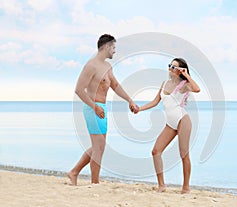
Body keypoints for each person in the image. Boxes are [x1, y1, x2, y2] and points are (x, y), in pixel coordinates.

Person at [67, 34, 138, 185]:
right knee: (99, 148)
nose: (114, 51)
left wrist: (129, 100)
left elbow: (115, 86)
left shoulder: (107, 67)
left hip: (102, 109)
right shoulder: (91, 66)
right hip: (92, 108)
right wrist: (94, 106)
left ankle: (74, 172)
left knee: (98, 147)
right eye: (113, 48)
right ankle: (95, 183)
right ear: (106, 47)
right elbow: (79, 90)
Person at [136, 58, 200, 194]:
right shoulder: (164, 83)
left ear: (180, 70)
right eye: (170, 65)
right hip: (170, 123)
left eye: (174, 67)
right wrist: (139, 109)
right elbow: (155, 101)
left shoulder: (184, 84)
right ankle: (161, 185)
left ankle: (186, 188)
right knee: (156, 151)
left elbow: (197, 89)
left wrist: (186, 74)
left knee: (184, 154)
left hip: (183, 120)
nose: (170, 68)